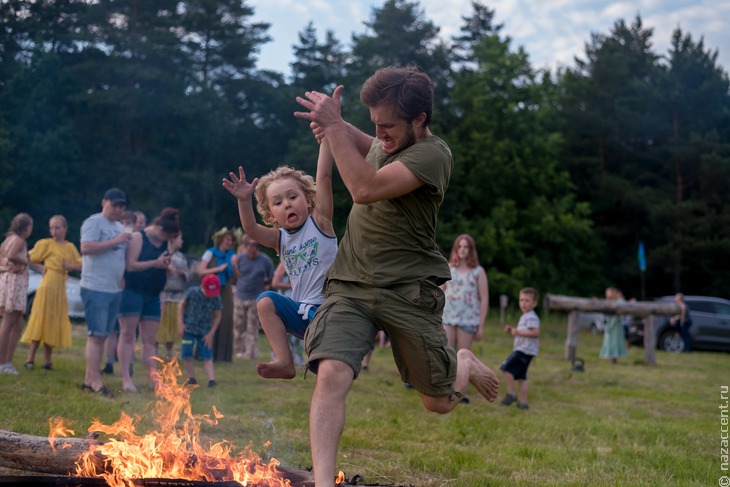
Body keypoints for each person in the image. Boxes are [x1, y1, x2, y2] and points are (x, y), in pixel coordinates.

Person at [293, 66, 499, 486]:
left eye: (388, 126)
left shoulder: (434, 155)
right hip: (351, 284)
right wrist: (338, 125)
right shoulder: (388, 143)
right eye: (375, 124)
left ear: (419, 119)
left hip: (407, 291)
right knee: (332, 373)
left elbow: (364, 187)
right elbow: (370, 149)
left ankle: (463, 363)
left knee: (437, 402)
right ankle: (323, 483)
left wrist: (334, 127)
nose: (380, 133)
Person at [222, 138, 336, 380]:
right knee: (265, 301)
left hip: (331, 312)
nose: (287, 205)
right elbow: (251, 230)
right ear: (271, 213)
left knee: (328, 371)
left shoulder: (321, 222)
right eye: (278, 202)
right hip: (301, 314)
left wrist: (327, 139)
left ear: (307, 199)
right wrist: (244, 200)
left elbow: (324, 177)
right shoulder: (280, 239)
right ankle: (285, 362)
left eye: (292, 197)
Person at [117, 208, 178, 392]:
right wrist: (155, 263)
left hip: (153, 295)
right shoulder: (138, 237)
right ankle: (126, 379)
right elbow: (131, 265)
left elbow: (163, 264)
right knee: (128, 335)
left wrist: (166, 266)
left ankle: (155, 380)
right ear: (159, 228)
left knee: (150, 341)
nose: (167, 240)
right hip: (132, 292)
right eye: (166, 236)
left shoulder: (166, 242)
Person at [80, 188, 132, 395]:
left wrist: (121, 276)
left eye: (121, 206)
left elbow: (119, 257)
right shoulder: (94, 222)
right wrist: (116, 241)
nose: (118, 209)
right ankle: (95, 381)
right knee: (96, 335)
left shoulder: (120, 227)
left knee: (102, 336)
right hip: (95, 287)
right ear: (104, 203)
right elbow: (85, 248)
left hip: (113, 289)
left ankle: (88, 380)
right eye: (114, 205)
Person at [21, 215, 82, 370]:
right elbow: (28, 257)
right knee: (41, 318)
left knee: (53, 321)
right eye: (52, 227)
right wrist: (42, 268)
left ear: (65, 229)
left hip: (60, 287)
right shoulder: (46, 244)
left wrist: (69, 266)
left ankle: (47, 360)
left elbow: (81, 264)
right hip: (47, 285)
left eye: (57, 227)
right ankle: (30, 359)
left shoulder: (69, 247)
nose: (54, 231)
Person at [101, 211, 137, 375]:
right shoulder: (114, 239)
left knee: (129, 330)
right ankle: (109, 363)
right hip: (113, 285)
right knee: (112, 328)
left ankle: (129, 363)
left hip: (130, 288)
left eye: (129, 222)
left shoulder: (135, 240)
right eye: (123, 222)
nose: (126, 225)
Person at [442, 234, 489, 351]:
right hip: (448, 317)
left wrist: (480, 326)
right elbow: (439, 292)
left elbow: (484, 299)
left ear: (471, 250)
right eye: (460, 246)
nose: (462, 249)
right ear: (456, 249)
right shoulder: (448, 269)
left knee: (463, 355)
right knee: (447, 354)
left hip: (468, 319)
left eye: (466, 247)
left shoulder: (478, 271)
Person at [230, 235, 274, 360]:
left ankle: (250, 354)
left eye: (255, 245)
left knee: (252, 326)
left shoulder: (265, 260)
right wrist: (233, 267)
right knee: (238, 326)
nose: (252, 248)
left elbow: (271, 278)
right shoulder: (240, 259)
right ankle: (239, 352)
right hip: (240, 295)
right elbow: (235, 276)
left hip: (255, 297)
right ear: (245, 246)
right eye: (250, 245)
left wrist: (266, 288)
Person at [0, 213, 34, 375]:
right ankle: (3, 363)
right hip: (14, 285)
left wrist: (5, 269)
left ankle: (8, 359)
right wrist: (26, 261)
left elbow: (2, 261)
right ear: (26, 227)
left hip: (7, 282)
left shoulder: (8, 239)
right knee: (7, 324)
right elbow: (11, 256)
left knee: (18, 324)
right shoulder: (19, 240)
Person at [198, 228, 237, 362]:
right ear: (220, 240)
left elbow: (236, 277)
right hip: (210, 288)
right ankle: (205, 352)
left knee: (225, 318)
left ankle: (222, 356)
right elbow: (200, 271)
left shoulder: (231, 255)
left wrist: (235, 266)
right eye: (227, 239)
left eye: (231, 240)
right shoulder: (210, 253)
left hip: (225, 289)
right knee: (209, 318)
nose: (229, 242)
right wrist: (217, 269)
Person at [178, 274, 222, 388]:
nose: (210, 295)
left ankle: (211, 380)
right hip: (188, 329)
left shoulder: (216, 297)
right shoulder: (192, 292)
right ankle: (191, 378)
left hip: (205, 331)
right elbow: (182, 306)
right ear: (202, 286)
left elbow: (217, 315)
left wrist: (211, 334)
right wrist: (181, 323)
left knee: (207, 355)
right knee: (187, 353)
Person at [500, 287, 540, 409]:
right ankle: (523, 402)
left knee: (506, 368)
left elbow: (536, 332)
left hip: (524, 350)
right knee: (522, 377)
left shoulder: (531, 317)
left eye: (527, 300)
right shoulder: (526, 316)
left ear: (534, 303)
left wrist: (517, 332)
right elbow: (524, 331)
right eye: (521, 300)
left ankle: (511, 393)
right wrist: (513, 330)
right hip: (526, 351)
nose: (523, 303)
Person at [156, 232, 189, 360]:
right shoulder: (163, 254)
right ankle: (154, 350)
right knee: (161, 324)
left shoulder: (181, 257)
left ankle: (169, 352)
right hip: (164, 294)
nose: (182, 241)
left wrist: (182, 273)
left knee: (173, 326)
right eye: (180, 238)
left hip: (177, 295)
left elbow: (187, 275)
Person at [599, 287, 627, 363]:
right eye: (606, 292)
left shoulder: (618, 300)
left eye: (608, 292)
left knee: (615, 341)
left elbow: (623, 305)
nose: (607, 294)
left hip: (616, 325)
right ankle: (610, 357)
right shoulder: (608, 301)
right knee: (609, 341)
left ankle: (614, 358)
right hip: (609, 324)